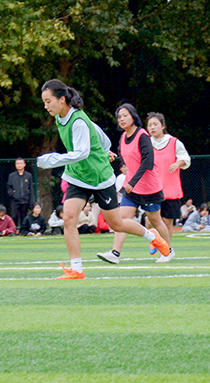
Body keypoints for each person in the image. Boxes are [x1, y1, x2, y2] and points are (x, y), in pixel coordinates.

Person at [36, 79, 170, 279]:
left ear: (62, 99)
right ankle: (77, 269)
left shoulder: (78, 121)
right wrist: (106, 148)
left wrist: (52, 159)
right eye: (44, 102)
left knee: (117, 224)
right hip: (77, 176)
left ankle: (152, 237)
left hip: (100, 177)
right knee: (69, 218)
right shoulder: (60, 118)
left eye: (48, 101)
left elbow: (81, 152)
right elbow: (98, 133)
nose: (46, 106)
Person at [101, 104, 174, 265]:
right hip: (132, 188)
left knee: (155, 220)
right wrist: (111, 156)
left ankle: (168, 251)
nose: (121, 119)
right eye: (119, 116)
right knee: (122, 219)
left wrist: (133, 181)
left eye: (125, 115)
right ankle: (115, 253)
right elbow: (127, 159)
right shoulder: (123, 137)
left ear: (133, 117)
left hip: (149, 187)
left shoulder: (142, 136)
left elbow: (148, 162)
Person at [147, 112, 191, 259]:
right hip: (151, 189)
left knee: (167, 222)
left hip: (170, 189)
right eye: (149, 125)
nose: (152, 127)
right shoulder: (146, 143)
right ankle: (155, 240)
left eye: (155, 124)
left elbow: (186, 159)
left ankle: (165, 251)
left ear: (163, 126)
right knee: (149, 220)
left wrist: (177, 163)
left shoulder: (174, 142)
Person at [7, 158, 34, 228]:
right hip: (15, 200)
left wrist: (31, 201)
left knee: (24, 217)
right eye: (17, 164)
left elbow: (31, 188)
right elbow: (9, 187)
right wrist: (13, 194)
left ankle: (23, 230)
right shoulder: (12, 176)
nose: (19, 165)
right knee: (14, 216)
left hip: (25, 200)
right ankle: (13, 230)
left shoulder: (28, 175)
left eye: (21, 163)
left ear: (24, 164)